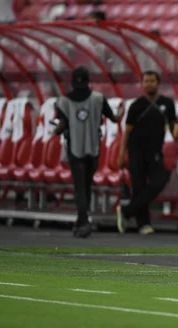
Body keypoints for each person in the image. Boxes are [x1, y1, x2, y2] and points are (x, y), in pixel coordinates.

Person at [54, 67, 123, 238]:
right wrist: (121, 112)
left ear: (72, 81)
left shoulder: (63, 101)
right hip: (93, 149)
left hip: (74, 148)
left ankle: (83, 222)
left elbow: (62, 125)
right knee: (87, 184)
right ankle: (82, 220)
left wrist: (54, 131)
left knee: (79, 186)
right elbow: (114, 118)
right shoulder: (98, 99)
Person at [116, 71, 178, 235]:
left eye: (152, 81)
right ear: (142, 85)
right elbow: (127, 132)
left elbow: (173, 126)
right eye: (146, 81)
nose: (149, 84)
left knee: (160, 180)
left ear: (158, 84)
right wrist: (122, 154)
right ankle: (143, 224)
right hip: (136, 151)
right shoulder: (136, 105)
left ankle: (127, 211)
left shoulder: (167, 103)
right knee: (138, 187)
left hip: (156, 151)